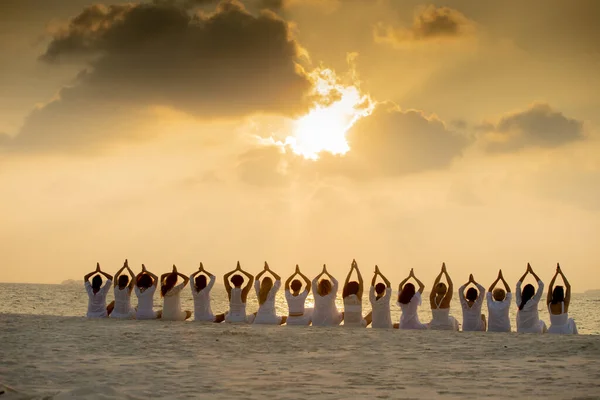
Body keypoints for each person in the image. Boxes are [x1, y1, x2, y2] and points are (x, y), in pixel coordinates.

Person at [516, 263, 547, 333]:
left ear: (523, 292)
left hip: (520, 330)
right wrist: (532, 273)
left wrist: (526, 273)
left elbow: (518, 285)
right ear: (533, 293)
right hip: (534, 330)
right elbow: (541, 285)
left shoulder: (519, 302)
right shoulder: (534, 302)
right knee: (542, 322)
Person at [547, 264, 578, 334]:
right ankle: (577, 336)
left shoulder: (549, 304)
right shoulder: (565, 304)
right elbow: (568, 286)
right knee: (571, 321)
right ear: (562, 294)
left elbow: (550, 286)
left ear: (553, 294)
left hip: (552, 331)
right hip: (564, 331)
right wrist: (560, 273)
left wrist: (556, 274)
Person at [429, 263, 459, 330]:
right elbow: (450, 284)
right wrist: (445, 272)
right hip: (447, 326)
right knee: (454, 320)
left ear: (436, 291)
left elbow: (435, 283)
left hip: (434, 326)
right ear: (446, 291)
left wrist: (441, 273)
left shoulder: (432, 299)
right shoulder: (446, 299)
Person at [342, 260, 372, 327]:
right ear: (357, 289)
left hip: (347, 325)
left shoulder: (345, 297)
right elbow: (361, 282)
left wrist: (351, 269)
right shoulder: (358, 297)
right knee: (373, 312)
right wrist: (357, 268)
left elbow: (346, 282)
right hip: (359, 325)